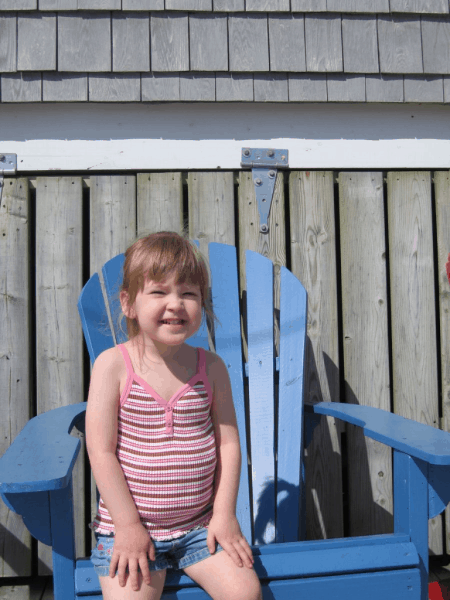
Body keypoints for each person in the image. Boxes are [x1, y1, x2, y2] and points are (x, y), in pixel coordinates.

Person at [86, 232, 262, 600]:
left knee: (246, 593)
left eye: (188, 293)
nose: (175, 304)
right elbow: (100, 451)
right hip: (132, 531)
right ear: (128, 304)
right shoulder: (113, 366)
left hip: (199, 529)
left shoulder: (211, 368)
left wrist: (224, 515)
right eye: (159, 292)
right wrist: (129, 525)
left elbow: (229, 444)